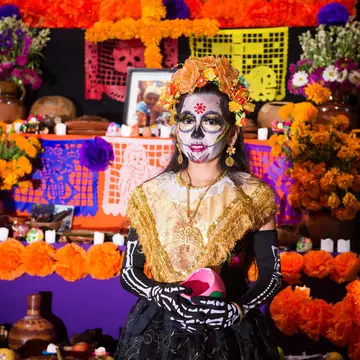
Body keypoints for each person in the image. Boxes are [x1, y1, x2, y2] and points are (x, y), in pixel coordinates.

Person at [116, 56, 282, 360]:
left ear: (232, 134)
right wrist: (159, 293)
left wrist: (237, 310)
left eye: (210, 122)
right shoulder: (149, 194)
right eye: (187, 120)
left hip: (228, 333)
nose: (195, 133)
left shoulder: (253, 195)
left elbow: (271, 275)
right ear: (176, 129)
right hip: (158, 331)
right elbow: (129, 272)